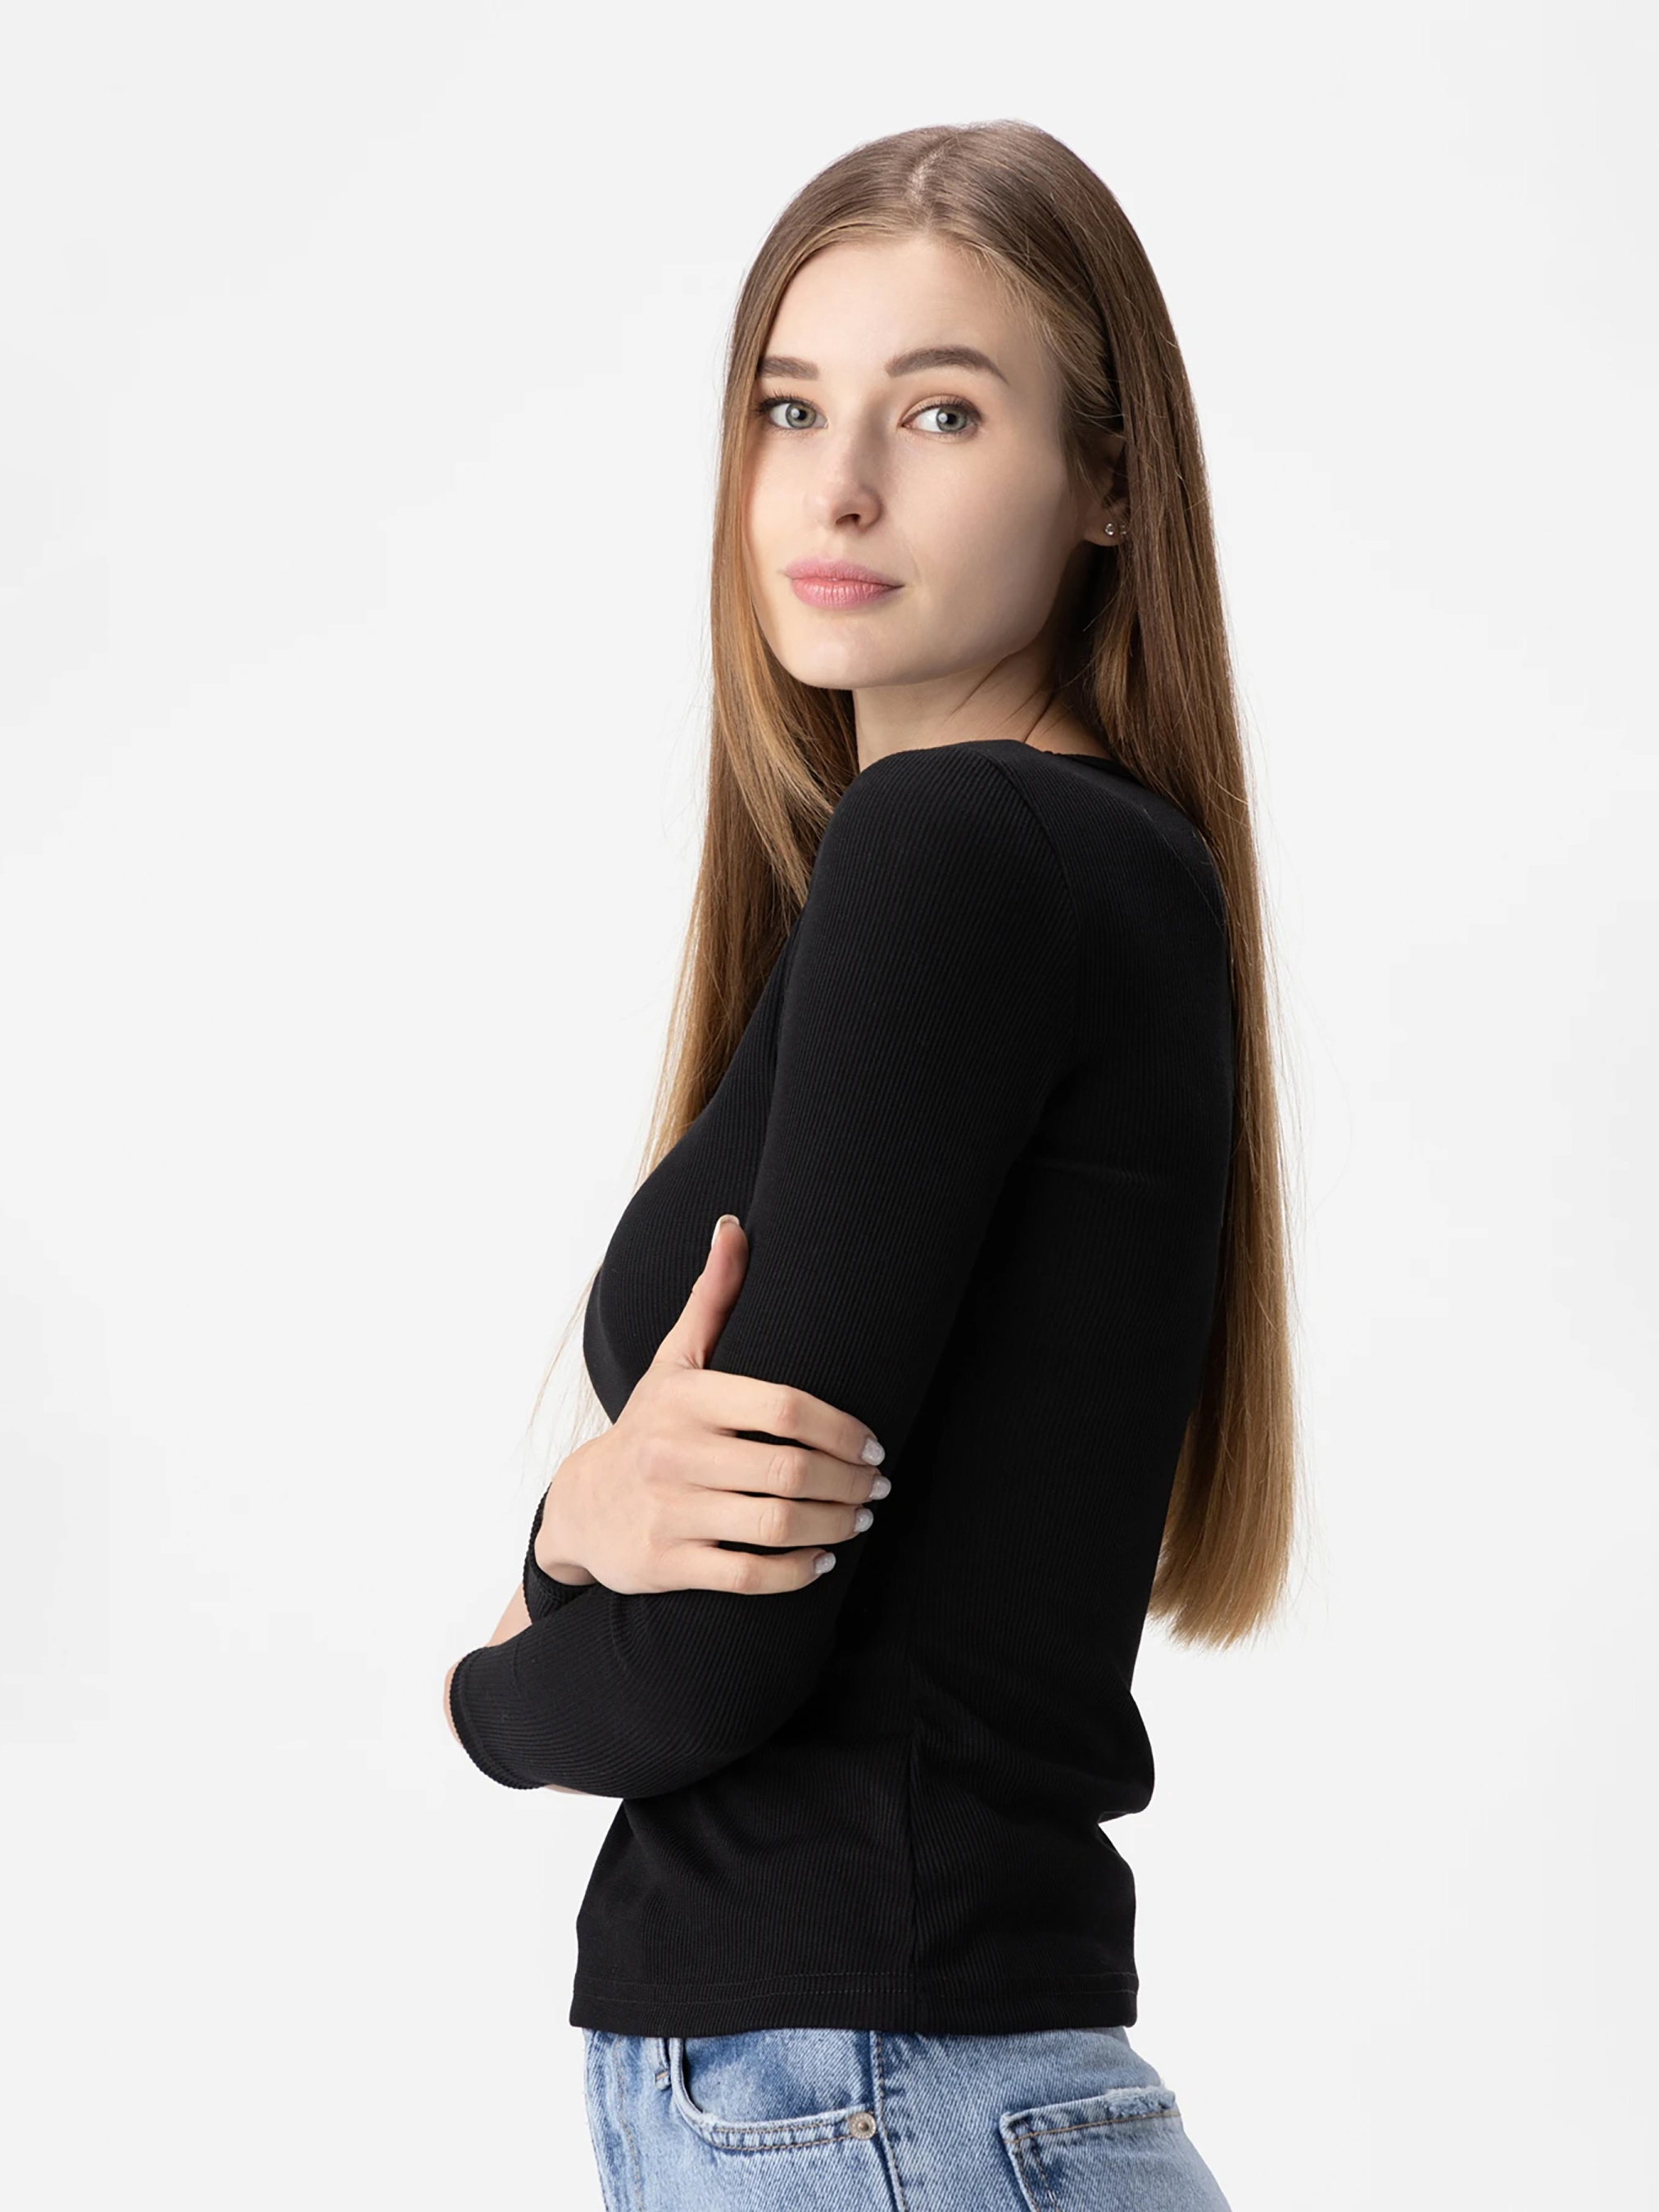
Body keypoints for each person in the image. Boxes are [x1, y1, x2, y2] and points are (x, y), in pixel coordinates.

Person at [443, 118, 1297, 2211]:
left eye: (937, 412)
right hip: (909, 2086)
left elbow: (711, 1657)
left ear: (1109, 484)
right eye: (785, 408)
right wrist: (586, 1523)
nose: (835, 487)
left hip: (855, 2097)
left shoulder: (957, 850)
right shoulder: (1055, 867)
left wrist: (496, 1671)